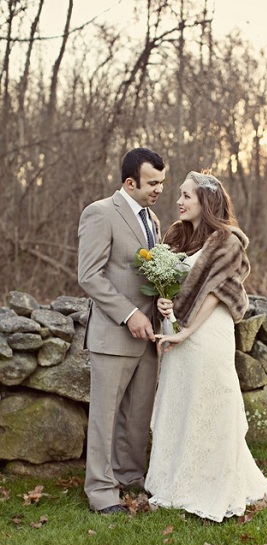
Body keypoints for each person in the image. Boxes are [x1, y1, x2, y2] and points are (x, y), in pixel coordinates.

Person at [145, 171, 267, 522]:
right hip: (176, 328)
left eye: (186, 196)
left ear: (205, 202)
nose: (178, 201)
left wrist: (185, 332)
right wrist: (165, 304)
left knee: (211, 400)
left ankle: (211, 481)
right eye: (179, 194)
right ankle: (173, 478)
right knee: (181, 400)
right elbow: (171, 285)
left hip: (206, 333)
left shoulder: (227, 241)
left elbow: (215, 293)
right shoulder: (176, 237)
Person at [78, 147, 166, 514]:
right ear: (130, 182)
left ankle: (129, 477)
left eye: (163, 181)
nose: (159, 189)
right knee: (105, 418)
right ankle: (100, 492)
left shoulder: (154, 221)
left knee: (137, 416)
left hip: (149, 337)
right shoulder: (100, 213)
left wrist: (163, 302)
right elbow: (89, 276)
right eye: (152, 183)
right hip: (114, 335)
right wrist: (129, 314)